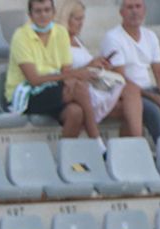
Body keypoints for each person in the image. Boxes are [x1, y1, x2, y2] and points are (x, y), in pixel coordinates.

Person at [4, 0, 100, 142]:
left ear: (53, 13)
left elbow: (66, 71)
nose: (43, 15)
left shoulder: (60, 32)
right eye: (38, 11)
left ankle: (65, 158)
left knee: (76, 112)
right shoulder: (21, 36)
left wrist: (71, 79)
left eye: (47, 10)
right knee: (78, 88)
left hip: (53, 88)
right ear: (30, 14)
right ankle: (97, 142)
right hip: (26, 94)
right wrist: (73, 76)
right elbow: (34, 80)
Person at [101, 0, 160, 142]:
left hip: (150, 90)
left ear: (144, 11)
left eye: (138, 7)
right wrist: (155, 98)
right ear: (121, 12)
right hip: (128, 94)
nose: (134, 11)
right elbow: (121, 79)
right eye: (130, 7)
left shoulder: (150, 36)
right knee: (155, 112)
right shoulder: (113, 37)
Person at [58, 0, 142, 137]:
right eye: (77, 19)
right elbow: (64, 74)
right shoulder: (60, 42)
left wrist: (101, 65)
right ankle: (137, 142)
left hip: (95, 84)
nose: (81, 23)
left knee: (130, 104)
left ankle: (130, 146)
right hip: (81, 90)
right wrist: (90, 65)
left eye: (83, 19)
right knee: (131, 90)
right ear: (66, 19)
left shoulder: (78, 41)